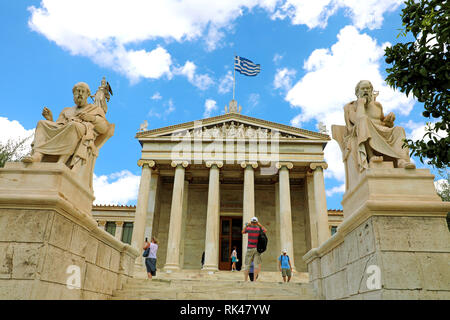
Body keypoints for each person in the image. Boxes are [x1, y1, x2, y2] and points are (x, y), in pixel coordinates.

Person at [343, 80, 415, 171]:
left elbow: (383, 122)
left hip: (381, 131)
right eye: (363, 88)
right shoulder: (351, 106)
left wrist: (389, 119)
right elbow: (358, 120)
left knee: (399, 129)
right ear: (357, 92)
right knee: (363, 121)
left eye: (368, 89)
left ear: (371, 91)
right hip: (364, 131)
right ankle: (371, 155)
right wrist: (361, 104)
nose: (365, 90)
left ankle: (401, 161)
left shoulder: (377, 105)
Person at [242, 216, 267, 282]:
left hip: (250, 248)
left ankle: (245, 279)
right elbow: (265, 230)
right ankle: (255, 279)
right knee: (256, 265)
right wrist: (259, 224)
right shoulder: (259, 229)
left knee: (247, 264)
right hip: (257, 249)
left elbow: (243, 231)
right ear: (256, 222)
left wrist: (247, 225)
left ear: (251, 222)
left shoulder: (249, 228)